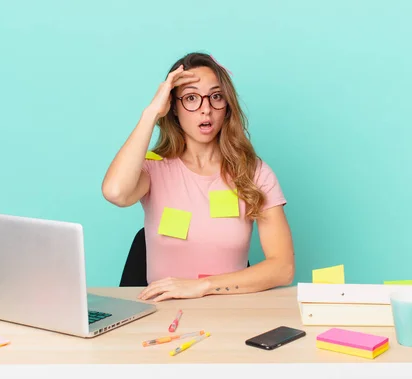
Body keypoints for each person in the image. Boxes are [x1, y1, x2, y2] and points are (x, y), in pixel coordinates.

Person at [102, 52, 295, 302]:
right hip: (162, 318)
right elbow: (115, 192)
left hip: (231, 316)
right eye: (191, 98)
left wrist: (202, 286)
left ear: (227, 107)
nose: (206, 109)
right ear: (173, 109)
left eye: (216, 97)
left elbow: (283, 268)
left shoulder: (255, 172)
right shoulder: (153, 168)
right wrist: (151, 113)